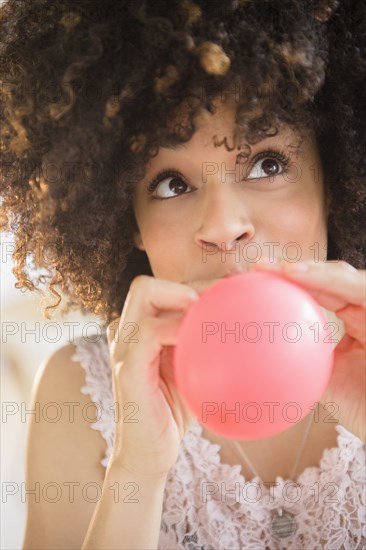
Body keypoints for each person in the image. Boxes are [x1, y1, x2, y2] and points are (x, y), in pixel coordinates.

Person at [1, 0, 365, 548]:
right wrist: (137, 471)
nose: (223, 226)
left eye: (268, 164)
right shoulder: (79, 393)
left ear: (334, 181)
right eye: (172, 184)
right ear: (128, 223)